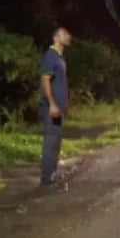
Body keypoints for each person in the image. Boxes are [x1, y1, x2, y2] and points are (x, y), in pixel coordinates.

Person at [39, 26, 72, 187]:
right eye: (65, 34)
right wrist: (52, 103)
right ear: (56, 37)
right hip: (51, 109)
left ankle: (52, 176)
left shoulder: (60, 57)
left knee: (56, 142)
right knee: (50, 142)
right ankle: (46, 180)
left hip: (58, 110)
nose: (68, 36)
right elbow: (45, 80)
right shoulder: (51, 55)